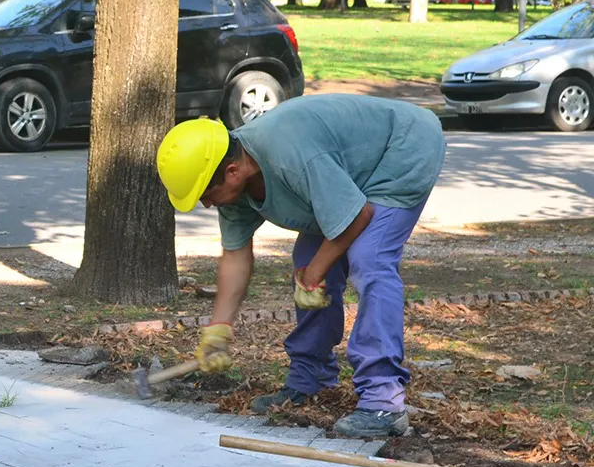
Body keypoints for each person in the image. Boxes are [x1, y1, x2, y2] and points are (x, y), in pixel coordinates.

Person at [156, 94, 447, 438]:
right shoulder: (234, 179)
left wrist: (314, 275)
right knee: (308, 260)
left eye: (205, 193)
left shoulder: (290, 155)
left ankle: (383, 401)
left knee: (370, 258)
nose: (205, 204)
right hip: (346, 169)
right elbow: (235, 256)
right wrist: (218, 329)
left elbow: (357, 216)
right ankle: (311, 376)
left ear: (232, 171)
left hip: (402, 147)